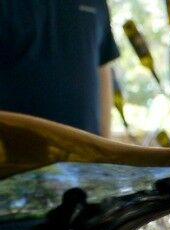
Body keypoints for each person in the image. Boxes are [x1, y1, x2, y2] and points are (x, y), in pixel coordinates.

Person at [0, 0, 119, 136]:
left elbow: (102, 68)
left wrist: (105, 144)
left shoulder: (97, 3)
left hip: (85, 151)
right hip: (16, 149)